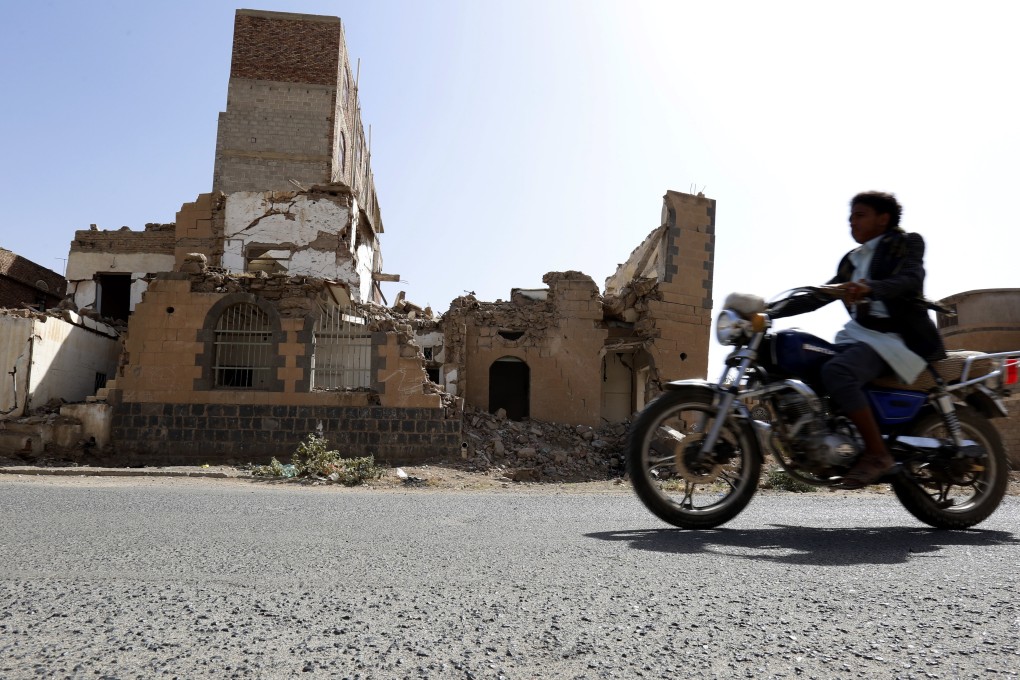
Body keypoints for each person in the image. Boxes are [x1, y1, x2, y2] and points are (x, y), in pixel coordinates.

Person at [769, 191, 945, 488]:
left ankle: (878, 455)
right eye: (850, 217)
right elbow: (819, 295)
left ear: (883, 218)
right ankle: (835, 445)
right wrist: (767, 310)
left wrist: (871, 288)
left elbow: (911, 280)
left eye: (860, 215)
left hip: (896, 338)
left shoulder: (906, 243)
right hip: (861, 336)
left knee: (838, 371)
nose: (852, 222)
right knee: (812, 364)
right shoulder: (851, 261)